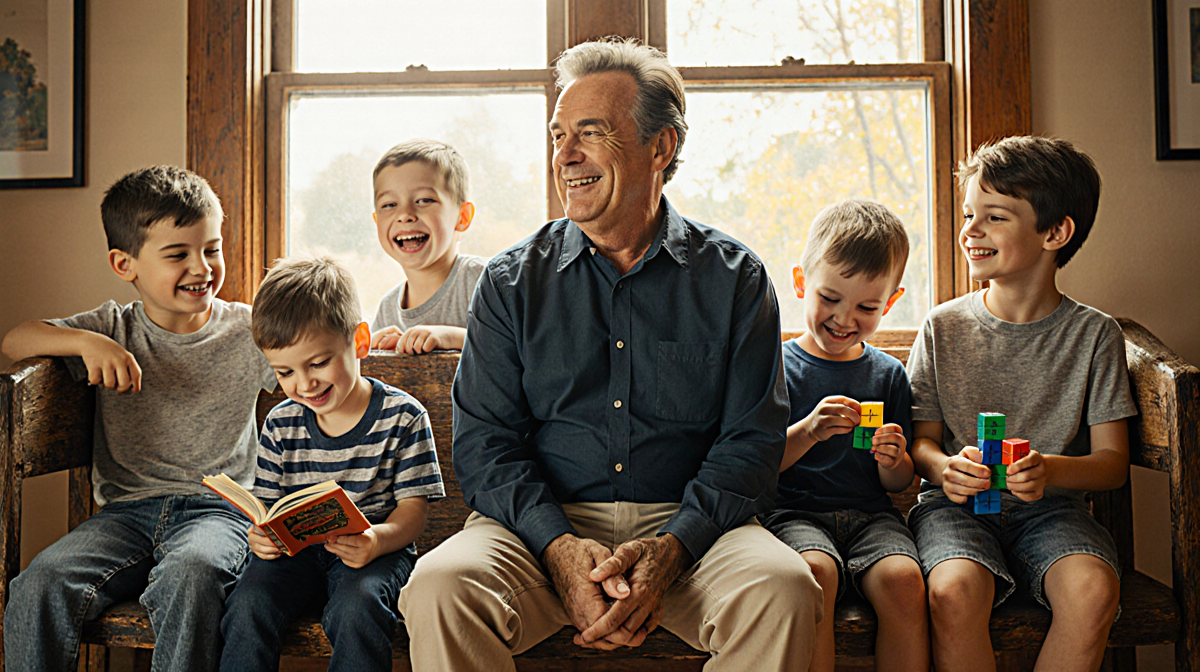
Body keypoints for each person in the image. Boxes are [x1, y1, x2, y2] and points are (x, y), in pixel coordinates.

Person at [397, 37, 822, 672]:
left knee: (784, 590)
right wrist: (559, 548)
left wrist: (673, 550)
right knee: (440, 588)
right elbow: (485, 443)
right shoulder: (513, 281)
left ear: (661, 147)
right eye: (558, 134)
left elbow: (752, 444)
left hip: (692, 527)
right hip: (538, 525)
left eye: (590, 133)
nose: (564, 156)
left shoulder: (734, 277)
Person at [1, 165, 277, 672]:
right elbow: (15, 341)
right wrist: (86, 342)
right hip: (123, 517)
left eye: (211, 248)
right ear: (124, 264)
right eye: (177, 254)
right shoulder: (111, 326)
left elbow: (313, 353)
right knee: (40, 582)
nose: (202, 267)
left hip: (219, 514)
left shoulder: (248, 329)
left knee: (194, 574)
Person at [906, 136, 1137, 671]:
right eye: (969, 214)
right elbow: (922, 442)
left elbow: (1112, 464)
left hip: (1052, 513)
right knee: (952, 592)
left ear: (1055, 232)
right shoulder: (942, 327)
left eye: (995, 217)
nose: (971, 230)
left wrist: (1048, 468)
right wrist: (944, 468)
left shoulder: (1094, 335)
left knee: (1094, 591)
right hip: (955, 510)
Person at [219, 256, 444, 671]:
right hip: (298, 554)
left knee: (358, 607)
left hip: (376, 550)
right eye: (285, 372)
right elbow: (267, 510)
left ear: (359, 341)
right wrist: (261, 538)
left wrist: (376, 540)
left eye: (318, 363)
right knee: (247, 602)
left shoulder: (403, 416)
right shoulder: (281, 422)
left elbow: (414, 513)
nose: (304, 385)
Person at [763, 199, 929, 672]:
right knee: (814, 575)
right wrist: (809, 431)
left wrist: (894, 460)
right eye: (829, 298)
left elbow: (899, 486)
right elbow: (759, 465)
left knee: (903, 580)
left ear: (891, 303)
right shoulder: (776, 368)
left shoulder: (888, 375)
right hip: (794, 514)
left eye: (867, 307)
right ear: (801, 283)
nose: (844, 318)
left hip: (872, 518)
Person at [369, 140, 486, 354]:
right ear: (377, 221)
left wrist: (449, 337)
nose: (404, 215)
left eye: (423, 200)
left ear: (462, 216)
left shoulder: (485, 281)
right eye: (389, 205)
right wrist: (375, 351)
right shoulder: (387, 311)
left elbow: (517, 347)